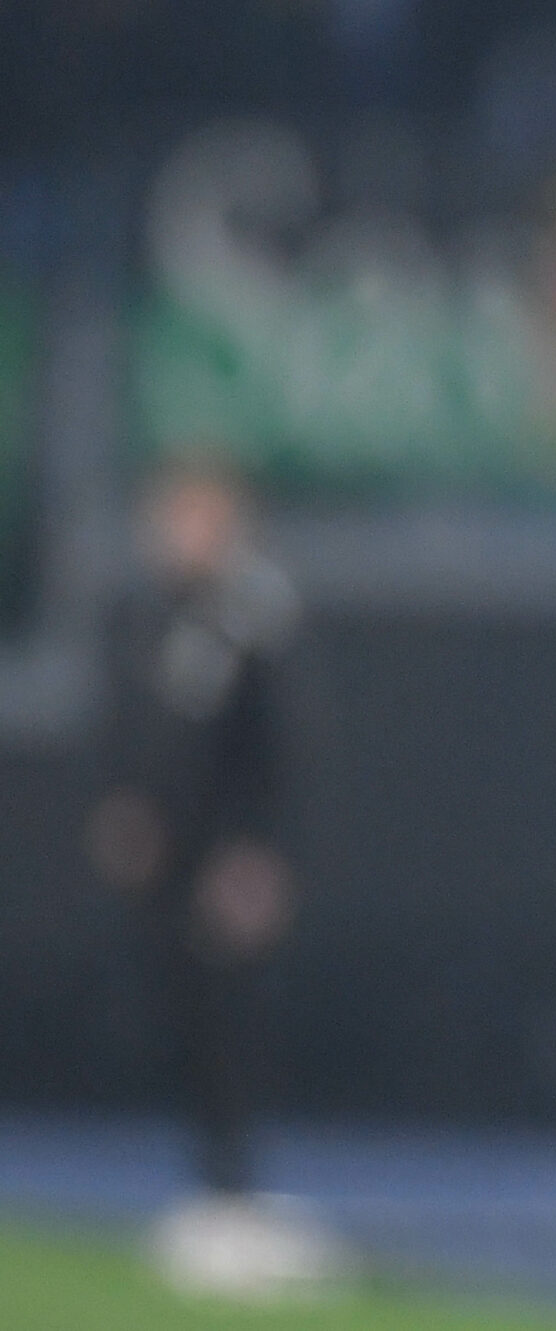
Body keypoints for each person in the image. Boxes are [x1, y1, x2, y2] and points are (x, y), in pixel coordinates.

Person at [86, 461, 339, 1295]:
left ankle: (235, 1188)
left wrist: (257, 851)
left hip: (227, 853)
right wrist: (126, 808)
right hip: (166, 852)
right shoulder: (138, 614)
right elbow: (129, 727)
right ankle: (205, 1184)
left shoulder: (254, 617)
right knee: (177, 1014)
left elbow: (281, 745)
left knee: (233, 1020)